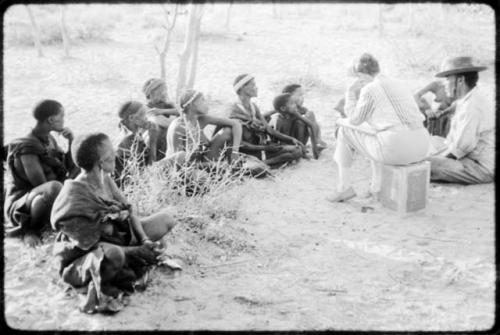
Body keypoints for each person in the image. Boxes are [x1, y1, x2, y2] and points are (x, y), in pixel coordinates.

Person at [51, 132, 177, 314]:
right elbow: (90, 245)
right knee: (114, 255)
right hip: (86, 256)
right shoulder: (75, 197)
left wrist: (144, 240)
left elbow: (129, 209)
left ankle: (131, 258)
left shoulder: (105, 179)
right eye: (111, 154)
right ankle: (106, 280)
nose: (116, 155)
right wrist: (136, 251)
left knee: (167, 219)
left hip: (120, 238)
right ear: (101, 163)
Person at [328, 53, 430, 202]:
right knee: (376, 134)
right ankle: (375, 187)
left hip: (397, 149)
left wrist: (350, 94)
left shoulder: (370, 88)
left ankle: (344, 187)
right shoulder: (400, 83)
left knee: (344, 129)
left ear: (360, 76)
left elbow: (354, 119)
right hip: (422, 145)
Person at [4, 99, 78, 247]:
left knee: (82, 168)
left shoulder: (48, 138)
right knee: (54, 188)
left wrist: (71, 142)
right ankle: (29, 229)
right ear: (51, 119)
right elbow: (42, 185)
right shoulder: (27, 146)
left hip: (47, 195)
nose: (64, 120)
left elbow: (68, 168)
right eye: (62, 116)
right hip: (24, 202)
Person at [427, 56, 494, 184]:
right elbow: (455, 106)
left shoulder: (472, 106)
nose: (444, 84)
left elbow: (460, 149)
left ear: (461, 80)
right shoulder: (468, 99)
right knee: (432, 141)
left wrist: (438, 159)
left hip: (479, 167)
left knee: (424, 164)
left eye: (447, 79)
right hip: (468, 158)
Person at [228, 74, 305, 168]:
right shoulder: (234, 111)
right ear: (243, 88)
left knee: (297, 150)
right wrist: (266, 148)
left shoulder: (253, 107)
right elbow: (239, 144)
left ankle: (264, 163)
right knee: (293, 153)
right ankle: (264, 164)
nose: (256, 88)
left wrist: (292, 139)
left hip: (261, 146)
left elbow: (270, 130)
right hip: (249, 150)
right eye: (253, 85)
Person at [166, 89, 242, 164]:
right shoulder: (178, 127)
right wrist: (210, 165)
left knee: (227, 131)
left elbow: (236, 124)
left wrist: (235, 151)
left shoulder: (201, 119)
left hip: (199, 162)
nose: (206, 104)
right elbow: (177, 162)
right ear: (192, 104)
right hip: (185, 169)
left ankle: (232, 163)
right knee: (201, 173)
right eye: (202, 100)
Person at [114, 101, 161, 187]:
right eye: (143, 114)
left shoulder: (130, 133)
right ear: (132, 118)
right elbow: (148, 171)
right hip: (131, 187)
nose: (146, 118)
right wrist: (153, 140)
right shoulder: (130, 140)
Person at [268, 93, 320, 159]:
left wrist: (314, 149)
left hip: (296, 142)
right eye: (292, 103)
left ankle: (302, 150)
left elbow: (311, 125)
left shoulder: (294, 114)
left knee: (300, 123)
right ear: (283, 108)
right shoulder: (278, 120)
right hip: (285, 144)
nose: (295, 105)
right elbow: (277, 137)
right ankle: (299, 152)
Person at [142, 78, 180, 160]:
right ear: (152, 93)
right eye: (162, 90)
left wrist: (162, 111)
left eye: (166, 90)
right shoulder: (146, 107)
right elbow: (163, 122)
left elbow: (184, 112)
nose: (165, 93)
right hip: (154, 142)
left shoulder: (168, 105)